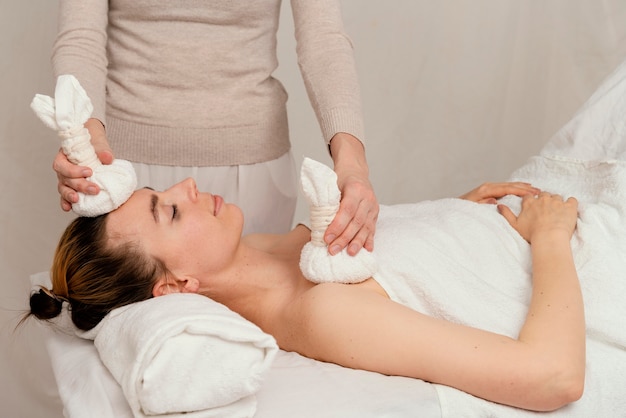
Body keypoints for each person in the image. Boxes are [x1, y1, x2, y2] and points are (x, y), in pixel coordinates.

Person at [27, 177, 586, 412]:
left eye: (161, 191)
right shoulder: (325, 311)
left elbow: (402, 264)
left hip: (521, 223)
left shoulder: (270, 248)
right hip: (568, 250)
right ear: (175, 287)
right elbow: (553, 376)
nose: (188, 187)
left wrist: (452, 213)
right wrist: (552, 237)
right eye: (170, 211)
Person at [50, 0, 378, 255]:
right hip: (121, 172)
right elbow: (81, 38)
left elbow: (323, 39)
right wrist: (86, 144)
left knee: (254, 325)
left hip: (255, 166)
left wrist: (352, 165)